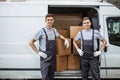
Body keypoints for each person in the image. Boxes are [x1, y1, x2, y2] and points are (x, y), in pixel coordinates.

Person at [29, 14, 69, 80]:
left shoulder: (54, 30)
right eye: (48, 20)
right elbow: (31, 42)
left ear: (53, 21)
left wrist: (65, 39)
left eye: (51, 20)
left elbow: (59, 35)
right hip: (45, 57)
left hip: (52, 57)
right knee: (44, 77)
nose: (50, 21)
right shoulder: (41, 31)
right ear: (45, 21)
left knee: (51, 76)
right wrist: (38, 52)